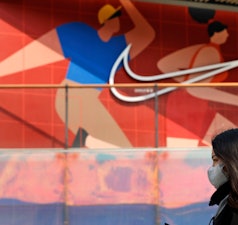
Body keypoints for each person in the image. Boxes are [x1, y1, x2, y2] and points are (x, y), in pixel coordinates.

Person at [0, 0, 155, 148]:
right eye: (115, 17)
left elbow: (147, 33)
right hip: (70, 96)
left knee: (119, 147)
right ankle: (82, 143)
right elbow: (36, 50)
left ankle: (82, 143)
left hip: (87, 100)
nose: (119, 21)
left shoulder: (119, 45)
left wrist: (127, 4)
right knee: (119, 148)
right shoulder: (82, 32)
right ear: (107, 21)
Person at [157, 8, 238, 147]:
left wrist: (186, 83)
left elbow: (165, 65)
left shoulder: (205, 49)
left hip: (195, 103)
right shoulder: (210, 53)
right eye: (225, 31)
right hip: (187, 106)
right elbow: (200, 90)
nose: (227, 34)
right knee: (182, 158)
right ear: (216, 33)